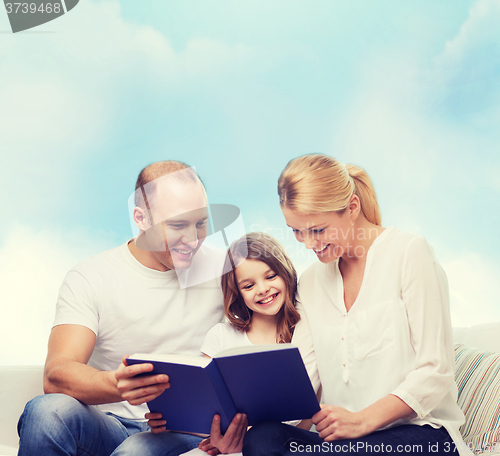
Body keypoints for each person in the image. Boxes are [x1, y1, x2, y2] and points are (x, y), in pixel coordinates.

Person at [242, 154, 472, 456]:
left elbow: (435, 372)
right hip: (346, 444)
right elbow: (305, 380)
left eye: (318, 230)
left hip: (422, 435)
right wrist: (241, 429)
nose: (308, 244)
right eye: (297, 231)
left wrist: (362, 421)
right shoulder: (311, 282)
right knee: (263, 437)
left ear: (352, 208)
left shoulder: (409, 254)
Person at [17, 161, 245, 456]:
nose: (193, 239)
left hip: (186, 432)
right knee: (46, 412)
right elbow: (56, 374)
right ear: (141, 218)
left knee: (135, 452)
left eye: (201, 223)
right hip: (109, 423)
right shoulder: (91, 276)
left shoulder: (225, 270)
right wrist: (114, 384)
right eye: (177, 225)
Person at [133, 232, 321, 456]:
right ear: (237, 292)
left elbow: (306, 416)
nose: (262, 289)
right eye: (248, 286)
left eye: (270, 276)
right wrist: (171, 422)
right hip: (223, 445)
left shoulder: (305, 332)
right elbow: (206, 407)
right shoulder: (221, 336)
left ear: (286, 273)